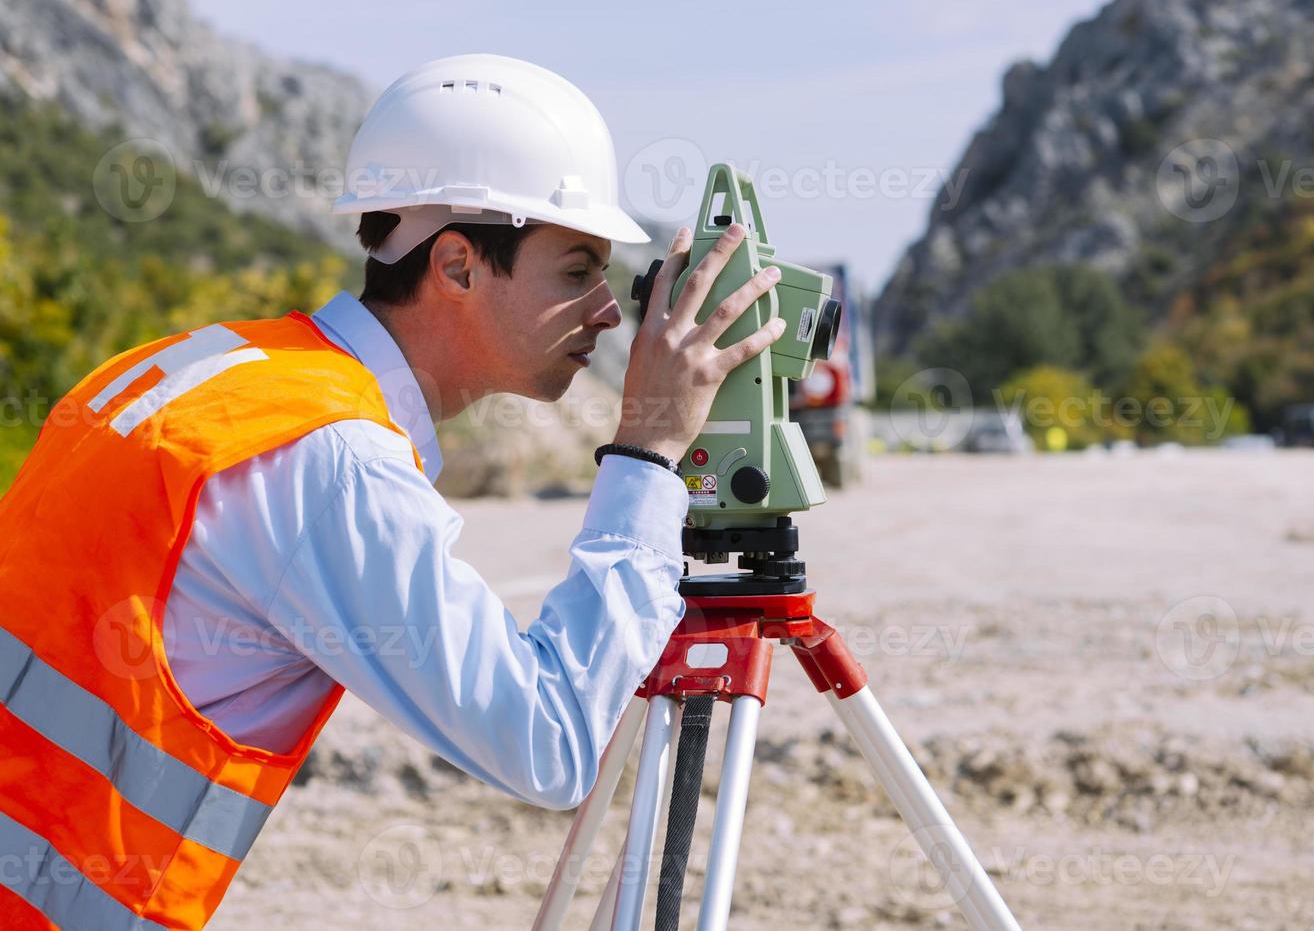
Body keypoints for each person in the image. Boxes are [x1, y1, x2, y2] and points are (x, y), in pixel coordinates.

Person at [0, 54, 785, 930]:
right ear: (455, 265)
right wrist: (646, 454)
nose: (608, 313)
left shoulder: (194, 368)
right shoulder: (329, 460)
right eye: (576, 270)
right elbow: (550, 741)